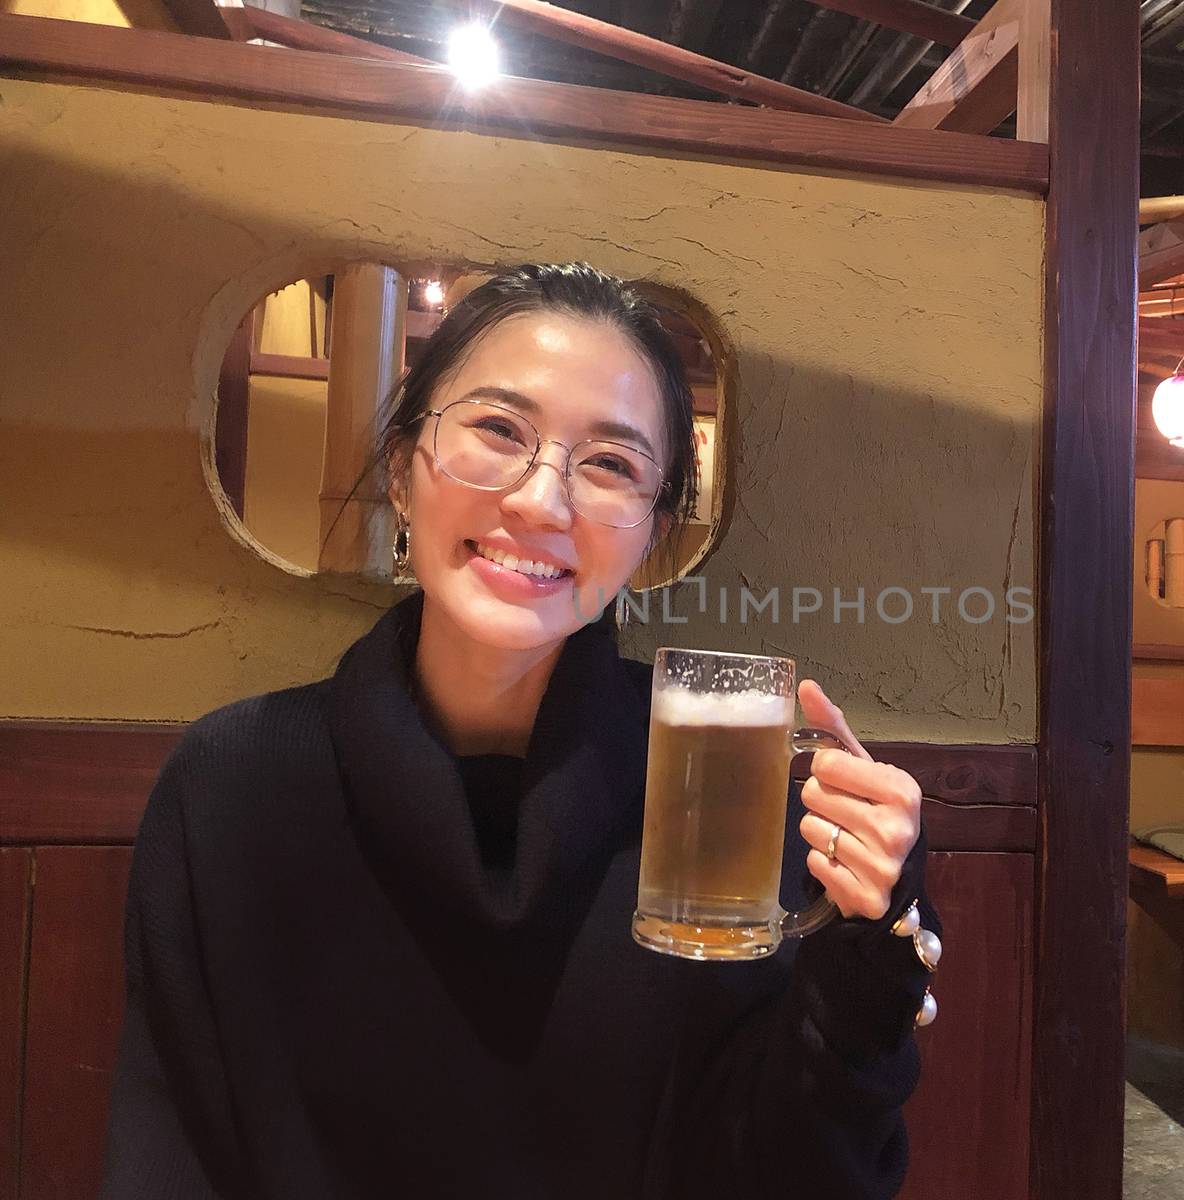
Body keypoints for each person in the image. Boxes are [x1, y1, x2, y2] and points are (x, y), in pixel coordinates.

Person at [100, 263, 942, 1199]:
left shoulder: (729, 809)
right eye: (499, 430)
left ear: (652, 534)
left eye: (612, 465)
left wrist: (868, 959)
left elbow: (794, 1176)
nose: (543, 501)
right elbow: (169, 1153)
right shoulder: (233, 788)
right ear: (402, 467)